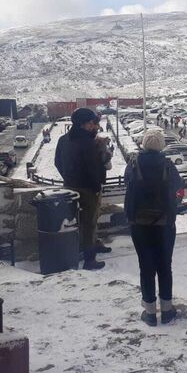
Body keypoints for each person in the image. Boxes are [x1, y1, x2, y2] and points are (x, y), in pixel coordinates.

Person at [124, 129, 184, 327]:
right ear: (161, 145)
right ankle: (167, 310)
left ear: (143, 144)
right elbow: (178, 185)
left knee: (146, 266)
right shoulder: (167, 165)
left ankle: (150, 313)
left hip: (139, 224)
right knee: (165, 265)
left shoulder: (133, 164)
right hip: (165, 223)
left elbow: (127, 184)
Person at [55, 108, 108, 270]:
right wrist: (97, 186)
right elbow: (94, 168)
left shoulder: (63, 140)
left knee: (77, 222)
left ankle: (90, 246)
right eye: (92, 123)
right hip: (88, 189)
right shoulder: (88, 143)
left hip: (69, 186)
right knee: (89, 223)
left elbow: (57, 162)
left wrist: (67, 178)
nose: (95, 126)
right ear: (83, 124)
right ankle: (89, 259)